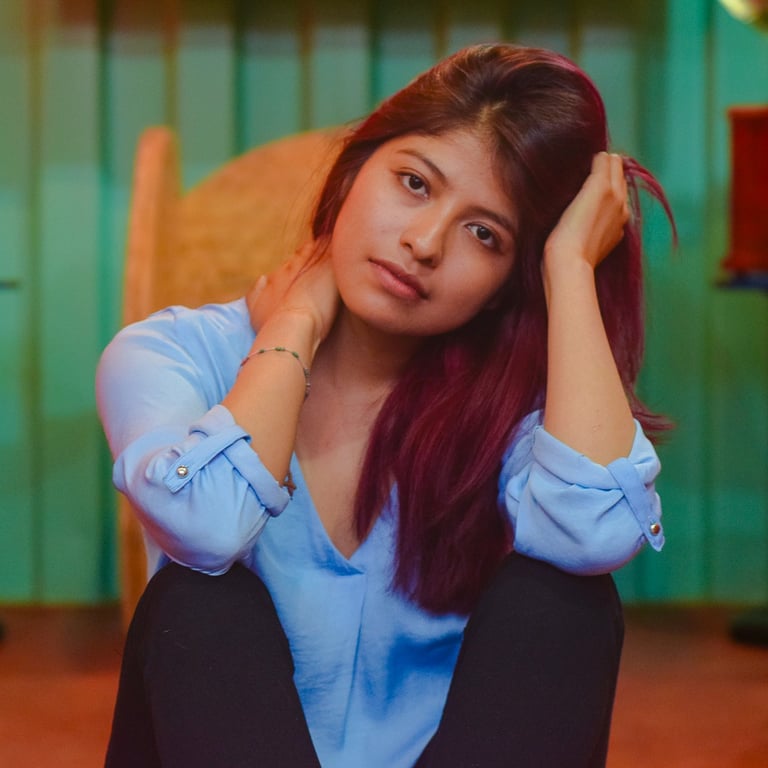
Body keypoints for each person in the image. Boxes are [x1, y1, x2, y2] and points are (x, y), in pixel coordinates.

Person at [96, 43, 673, 768]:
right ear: (351, 172)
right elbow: (207, 528)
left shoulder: (514, 411)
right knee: (200, 601)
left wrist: (570, 268)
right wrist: (294, 327)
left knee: (566, 606)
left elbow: (596, 534)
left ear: (506, 281)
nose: (424, 243)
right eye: (413, 182)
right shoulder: (174, 354)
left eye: (483, 233)